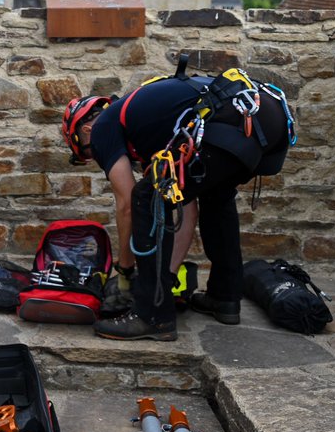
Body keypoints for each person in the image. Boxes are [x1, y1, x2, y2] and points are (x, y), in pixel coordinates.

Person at [61, 66, 294, 341]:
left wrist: (125, 272)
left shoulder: (103, 128)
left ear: (86, 130)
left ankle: (151, 316)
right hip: (267, 120)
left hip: (232, 120)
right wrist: (166, 279)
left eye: (88, 153)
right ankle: (224, 298)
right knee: (216, 196)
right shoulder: (155, 127)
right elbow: (186, 208)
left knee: (145, 199)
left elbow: (126, 203)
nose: (98, 157)